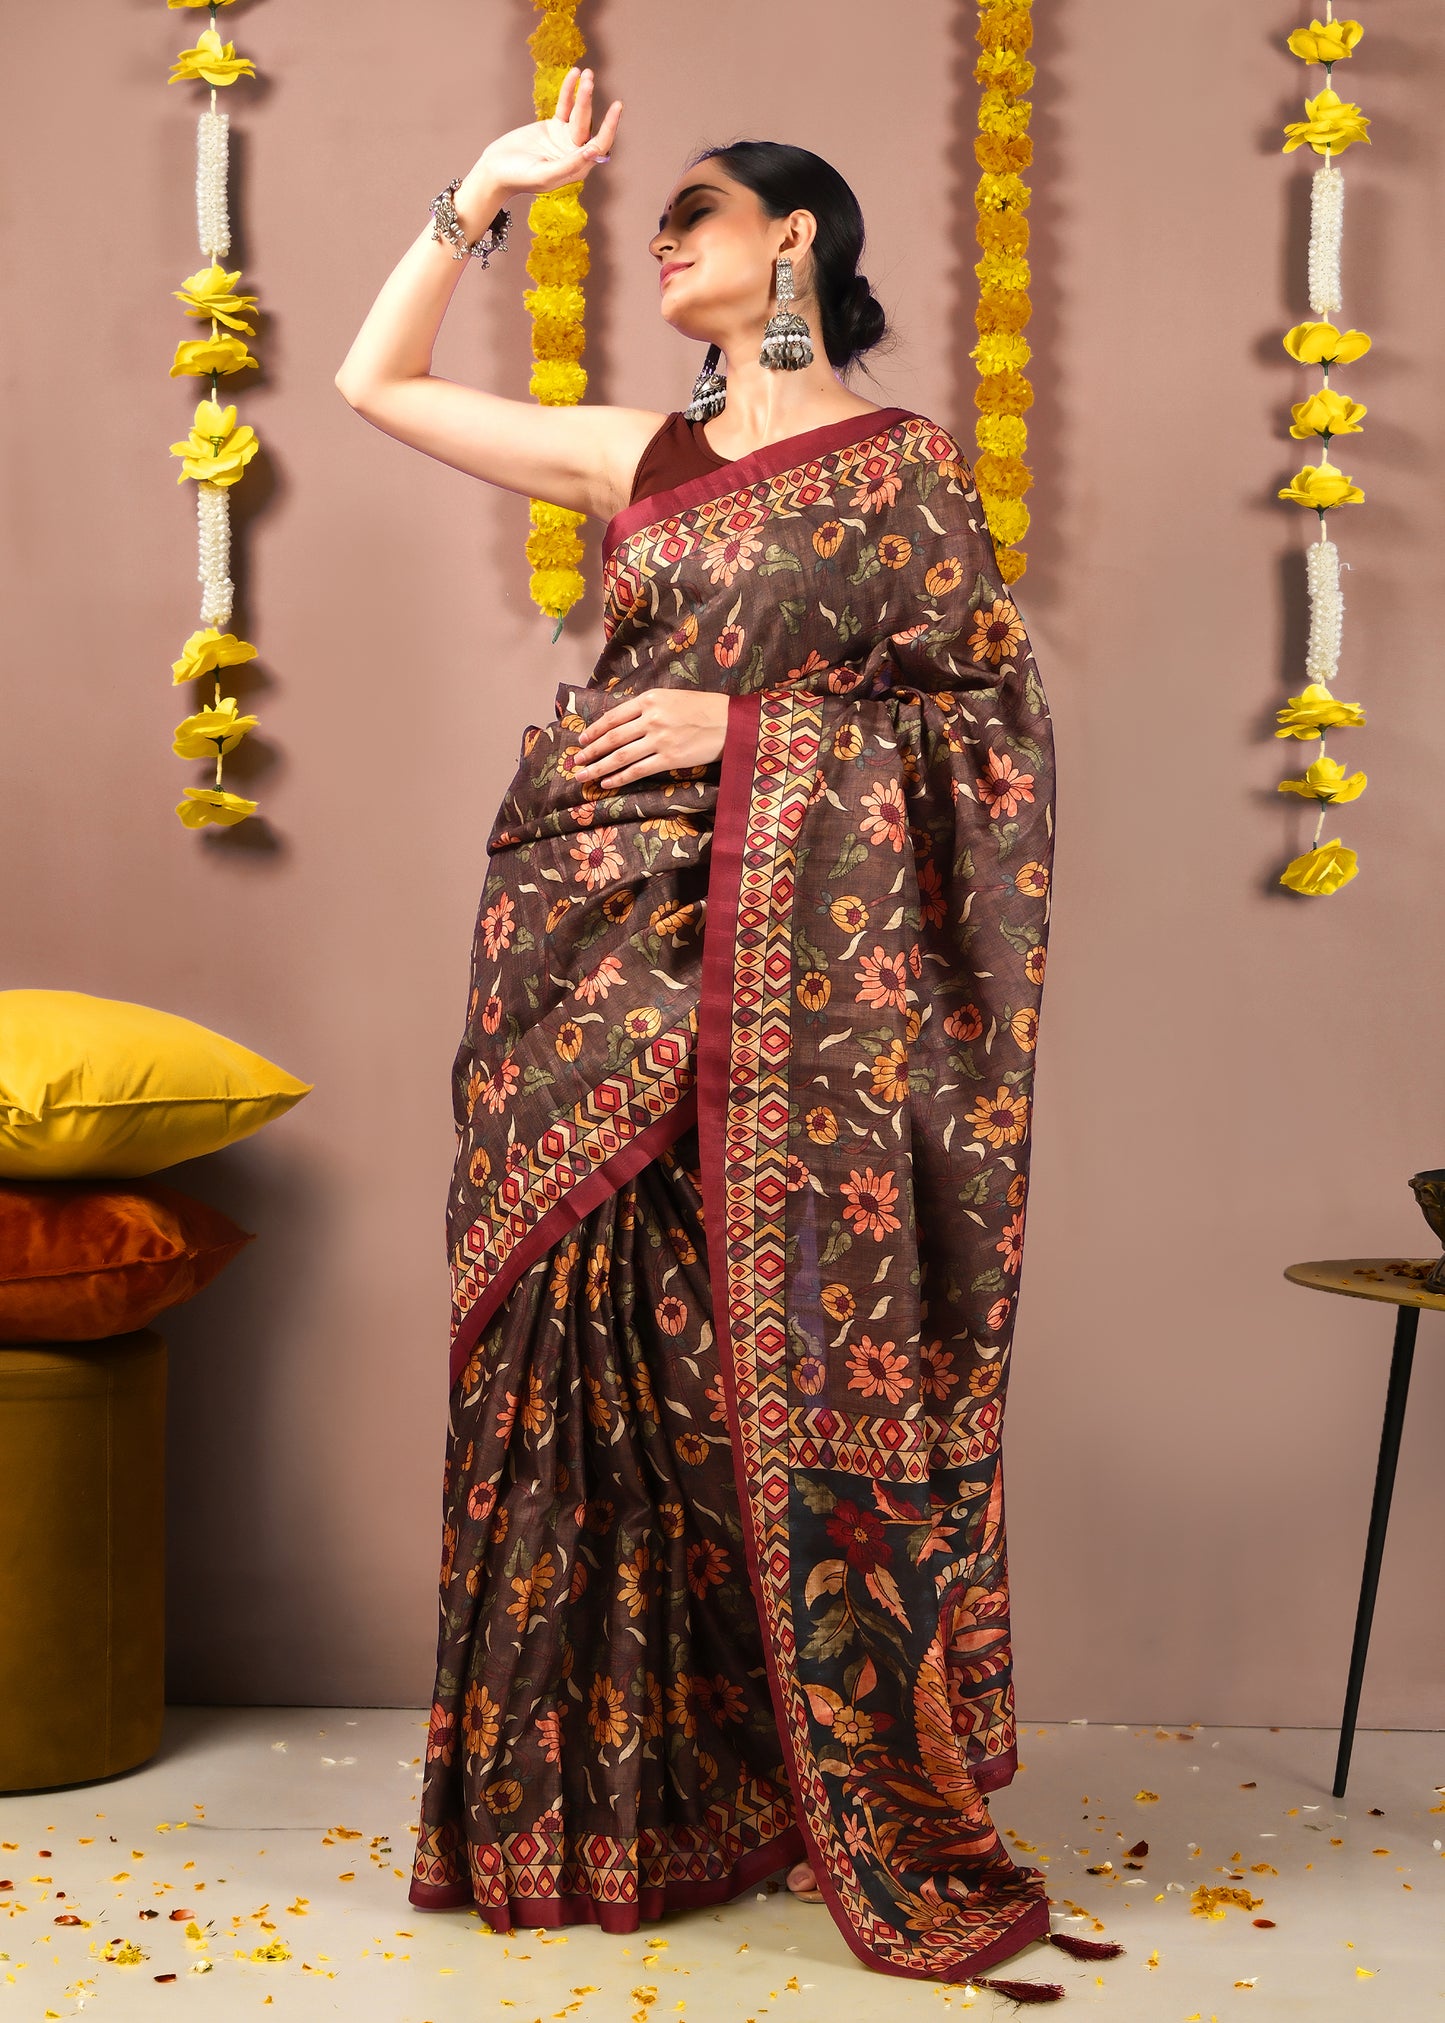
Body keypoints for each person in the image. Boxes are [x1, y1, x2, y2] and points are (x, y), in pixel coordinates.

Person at [336, 68, 1089, 1996]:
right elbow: (374, 390)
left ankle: (781, 1780)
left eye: (695, 210)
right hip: (581, 942)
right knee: (575, 1353)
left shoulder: (908, 470)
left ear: (794, 243)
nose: (659, 239)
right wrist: (479, 190)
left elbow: (990, 744)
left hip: (792, 991)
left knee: (737, 1360)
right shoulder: (642, 459)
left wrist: (754, 733)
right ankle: (591, 1799)